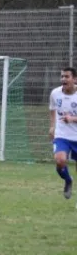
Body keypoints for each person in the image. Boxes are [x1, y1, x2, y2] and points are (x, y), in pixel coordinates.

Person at [48, 67, 77, 200]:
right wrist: (52, 126)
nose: (63, 79)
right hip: (62, 136)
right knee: (60, 161)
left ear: (74, 79)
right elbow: (53, 109)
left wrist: (73, 119)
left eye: (67, 77)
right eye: (62, 77)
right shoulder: (55, 93)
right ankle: (68, 179)